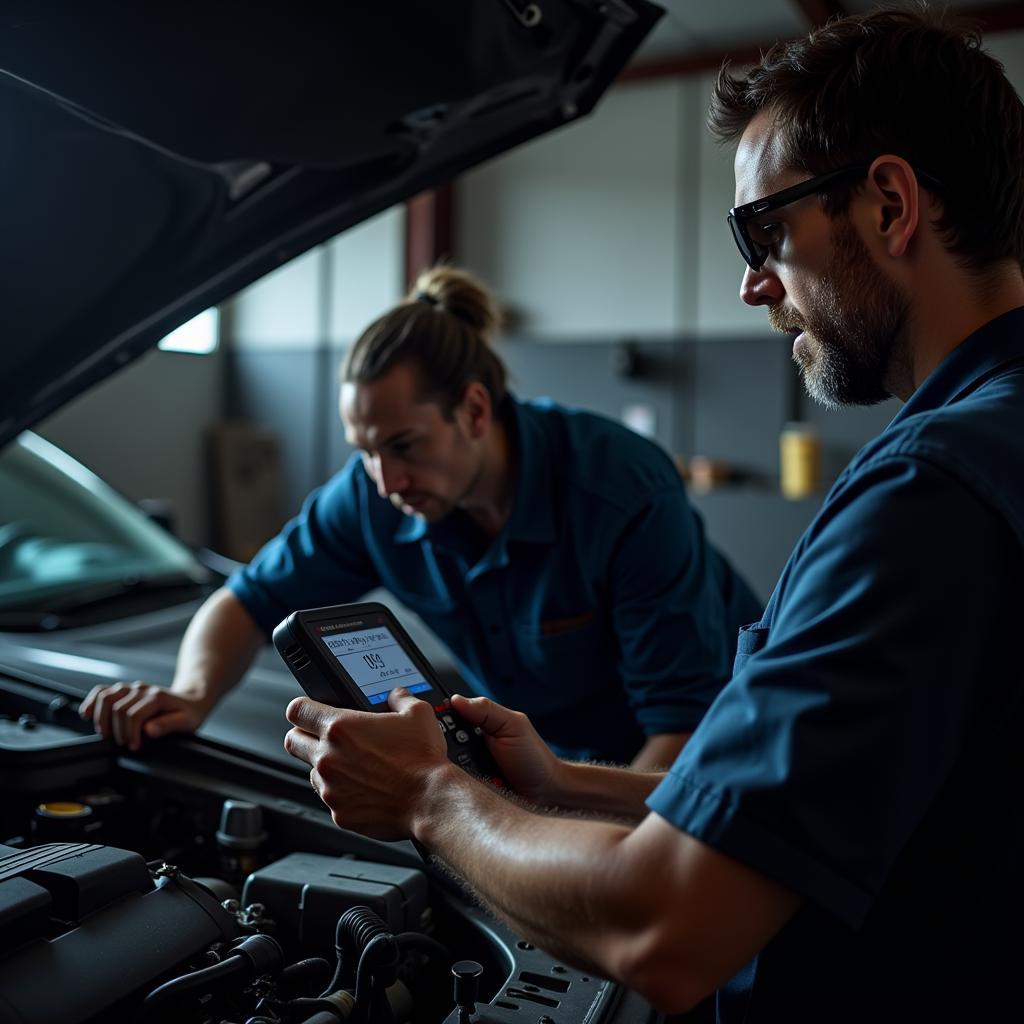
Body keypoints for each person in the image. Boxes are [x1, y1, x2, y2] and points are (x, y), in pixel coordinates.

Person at [282, 10, 1024, 1021]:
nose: (753, 282)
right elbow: (819, 808)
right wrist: (557, 780)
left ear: (890, 204)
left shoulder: (924, 497)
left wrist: (429, 797)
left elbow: (666, 926)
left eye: (766, 230)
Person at [81, 265, 760, 766]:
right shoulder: (371, 495)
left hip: (719, 748)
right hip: (546, 758)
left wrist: (580, 835)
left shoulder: (620, 491)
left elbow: (681, 730)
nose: (386, 479)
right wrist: (191, 694)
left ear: (473, 409)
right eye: (366, 452)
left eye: (404, 446)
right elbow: (247, 603)